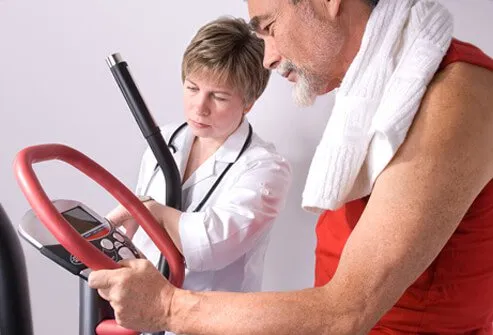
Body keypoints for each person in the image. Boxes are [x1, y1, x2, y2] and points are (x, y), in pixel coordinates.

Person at [89, 0, 493, 333]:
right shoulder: (375, 96)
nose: (268, 57)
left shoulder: (453, 97)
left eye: (270, 27)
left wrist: (167, 307)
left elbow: (347, 312)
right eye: (192, 89)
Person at [98, 15, 292, 331]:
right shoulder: (164, 140)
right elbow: (138, 234)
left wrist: (152, 211)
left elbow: (211, 244)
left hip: (210, 325)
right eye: (192, 87)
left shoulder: (265, 168)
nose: (199, 107)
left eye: (218, 96)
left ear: (250, 102)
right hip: (141, 318)